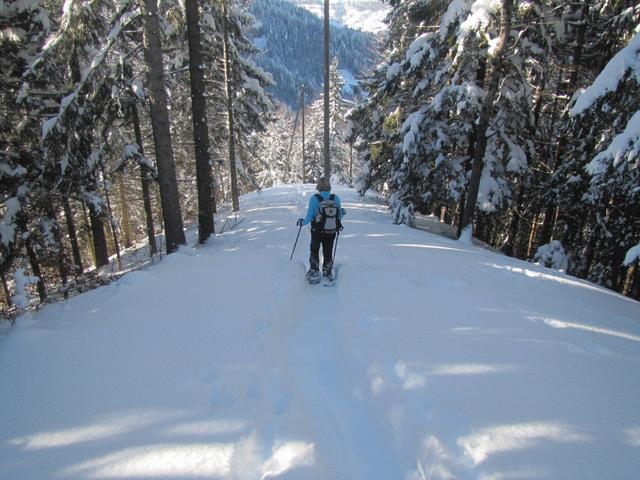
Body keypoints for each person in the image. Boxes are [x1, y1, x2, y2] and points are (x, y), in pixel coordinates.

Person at [297, 177, 344, 284]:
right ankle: (327, 273)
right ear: (329, 187)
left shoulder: (315, 198)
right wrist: (342, 212)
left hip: (317, 230)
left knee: (314, 250)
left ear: (318, 187)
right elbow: (340, 214)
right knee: (328, 251)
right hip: (331, 231)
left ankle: (314, 272)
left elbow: (309, 216)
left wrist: (302, 222)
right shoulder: (335, 198)